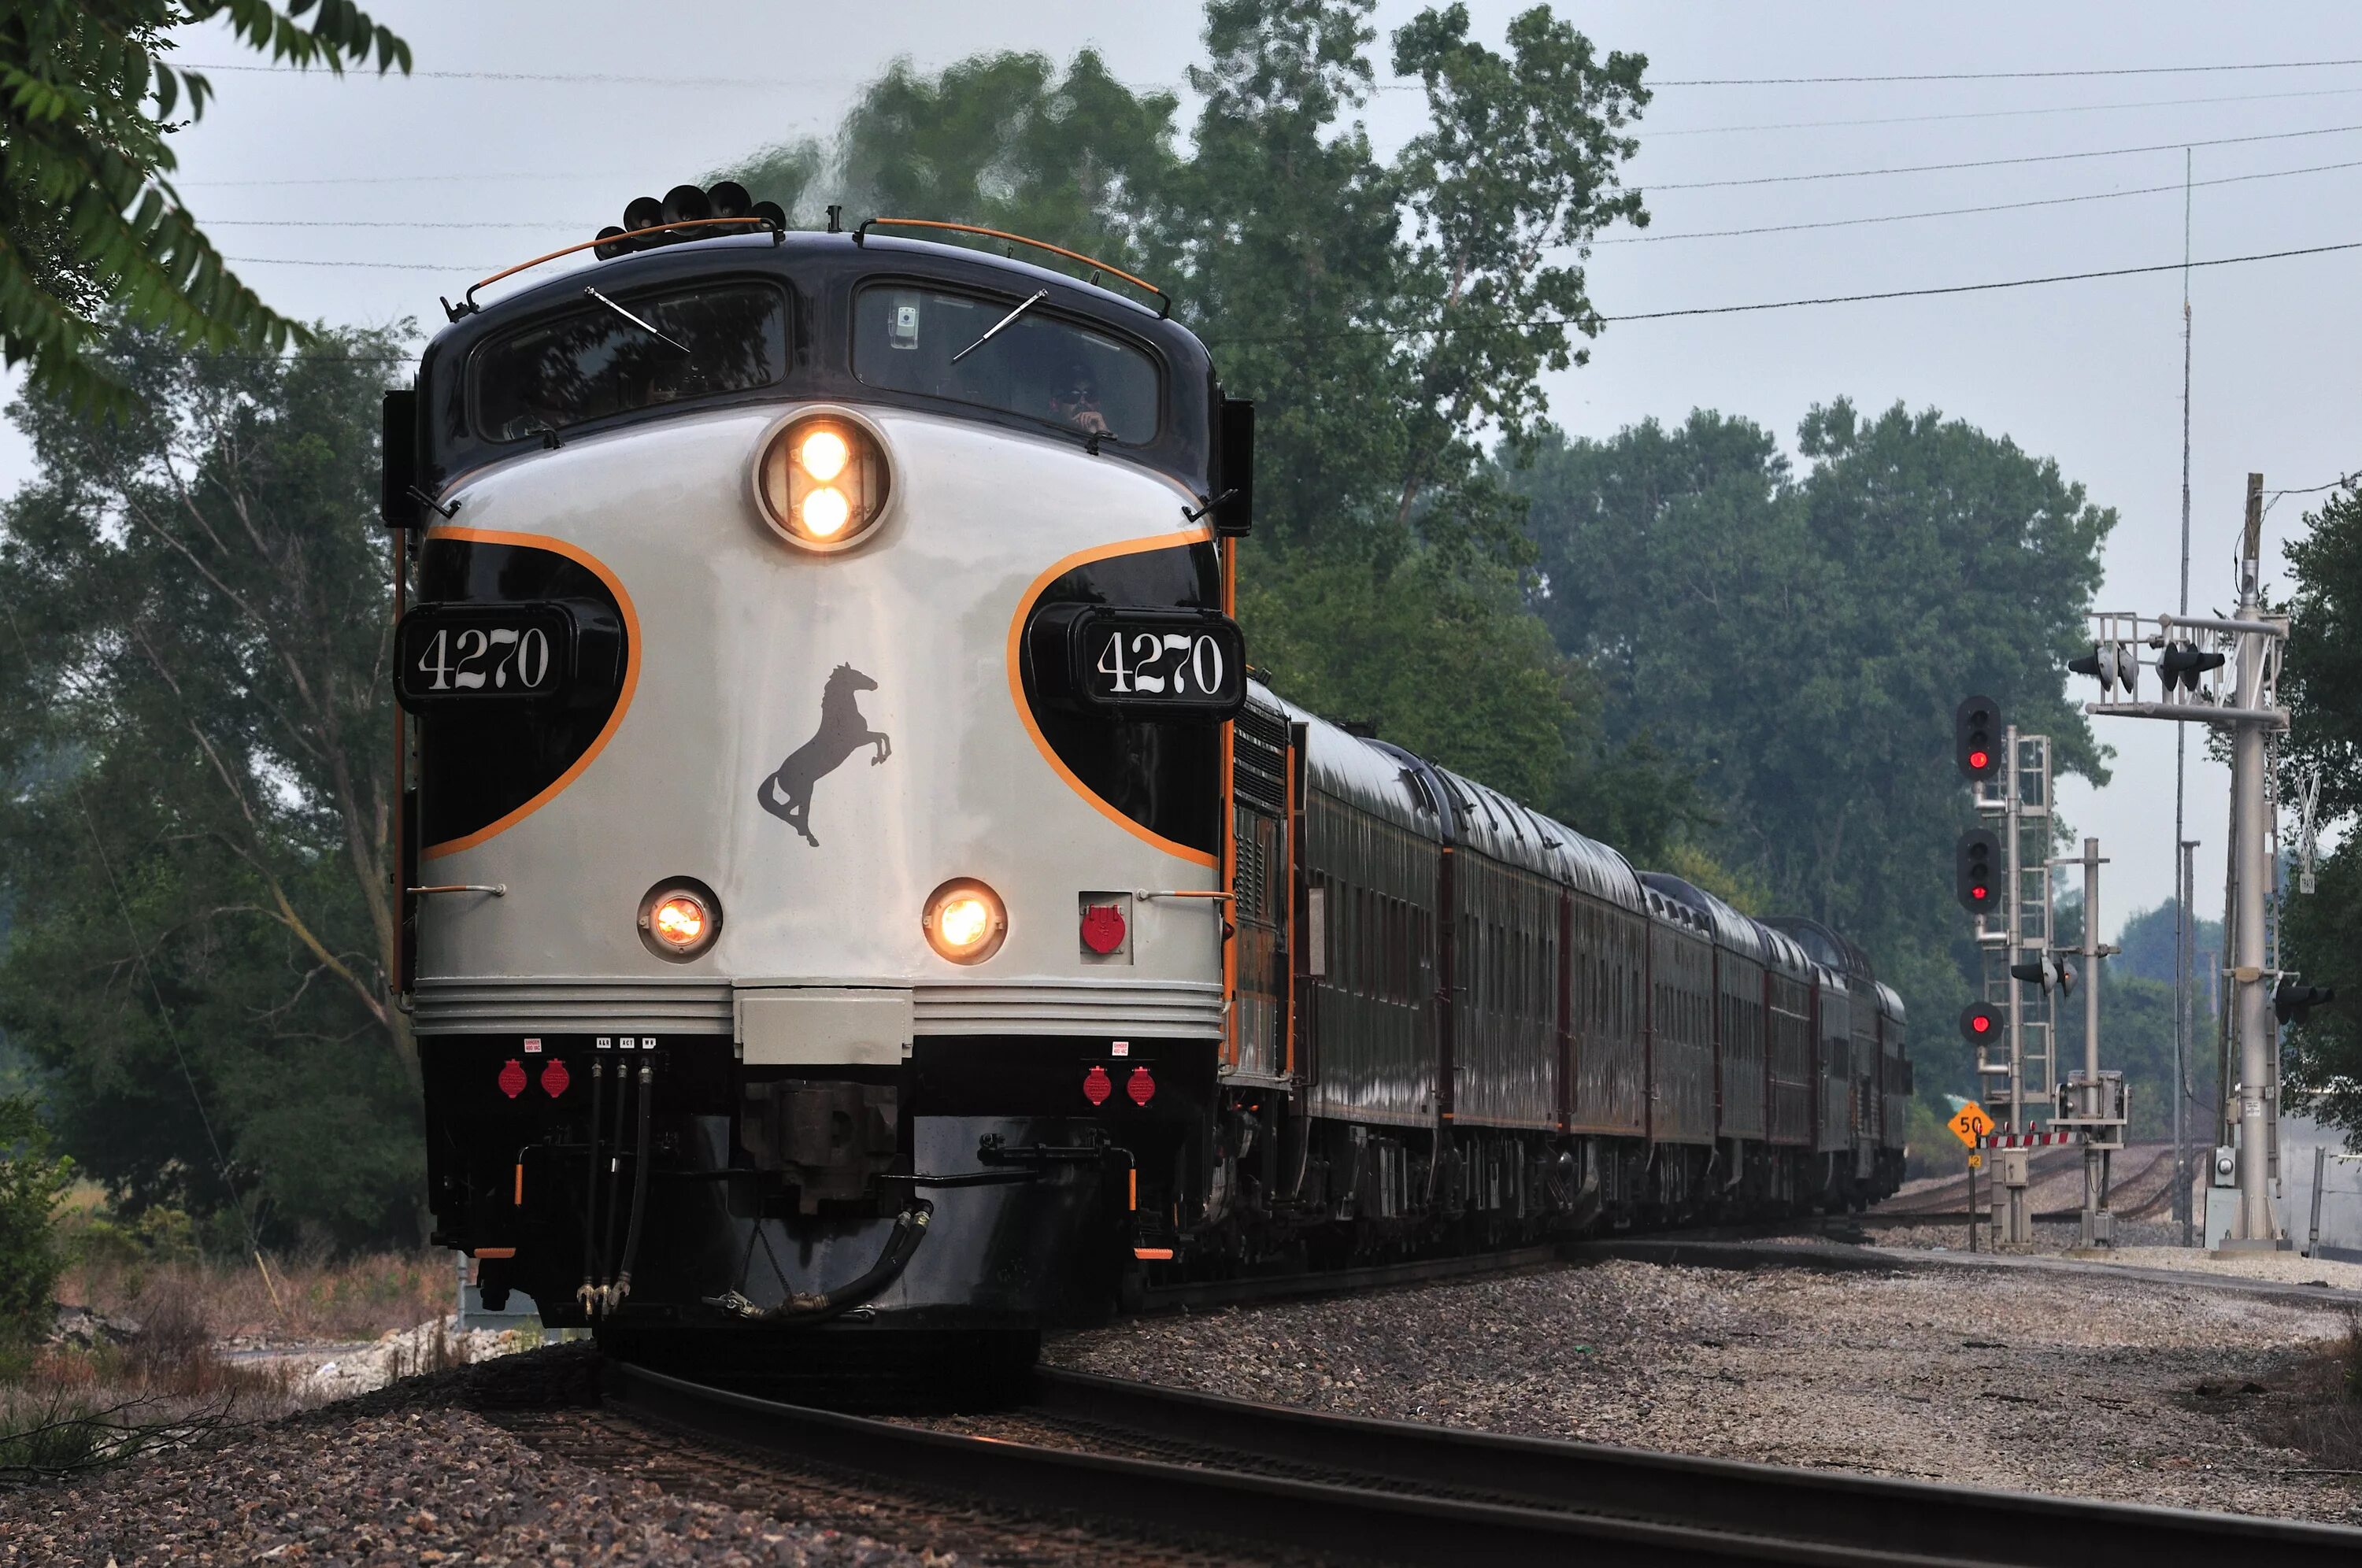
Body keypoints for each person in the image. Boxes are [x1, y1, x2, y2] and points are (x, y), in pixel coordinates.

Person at [1048, 360, 1109, 435]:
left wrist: (1101, 435)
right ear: (1055, 404)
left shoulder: (1116, 442)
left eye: (1090, 394)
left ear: (1098, 403)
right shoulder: (1038, 439)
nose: (1082, 402)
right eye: (1073, 395)